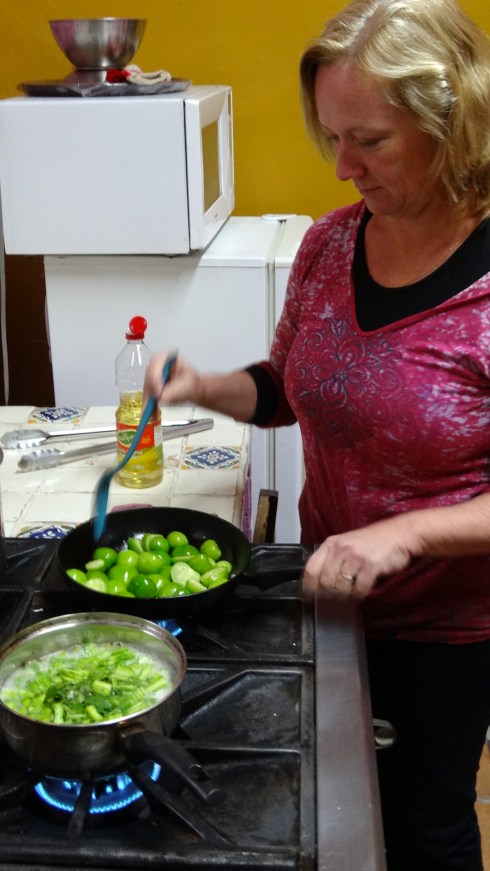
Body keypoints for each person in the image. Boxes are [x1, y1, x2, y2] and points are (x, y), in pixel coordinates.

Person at [145, 0, 490, 867]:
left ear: (451, 121)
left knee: (425, 824)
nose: (341, 169)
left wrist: (408, 532)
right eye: (331, 137)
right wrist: (203, 386)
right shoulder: (332, 246)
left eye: (368, 141)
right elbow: (291, 389)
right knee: (340, 807)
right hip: (330, 599)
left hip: (447, 633)